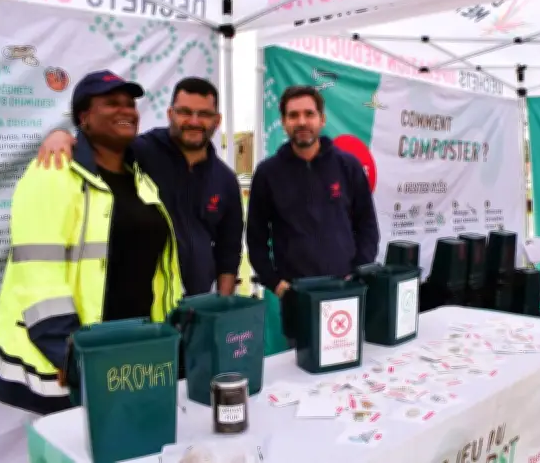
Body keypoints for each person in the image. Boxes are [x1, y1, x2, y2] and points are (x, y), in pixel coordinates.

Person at [0, 70, 184, 415]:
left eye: (130, 103)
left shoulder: (141, 180)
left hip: (133, 346)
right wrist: (67, 350)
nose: (126, 110)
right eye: (111, 103)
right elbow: (37, 271)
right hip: (78, 353)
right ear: (84, 117)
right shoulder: (53, 171)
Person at [37, 77, 243, 297]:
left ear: (217, 120)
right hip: (144, 301)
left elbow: (228, 250)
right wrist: (62, 136)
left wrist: (223, 304)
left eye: (204, 114)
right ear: (170, 114)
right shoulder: (139, 152)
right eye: (184, 112)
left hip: (197, 303)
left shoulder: (225, 179)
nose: (193, 121)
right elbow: (98, 144)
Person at [247, 85, 379, 343]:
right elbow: (255, 239)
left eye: (309, 114)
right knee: (302, 376)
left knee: (347, 370)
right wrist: (277, 284)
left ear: (322, 119)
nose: (302, 122)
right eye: (293, 115)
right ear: (284, 122)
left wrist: (357, 274)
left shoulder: (348, 166)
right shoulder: (267, 174)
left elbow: (367, 226)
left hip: (344, 293)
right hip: (298, 298)